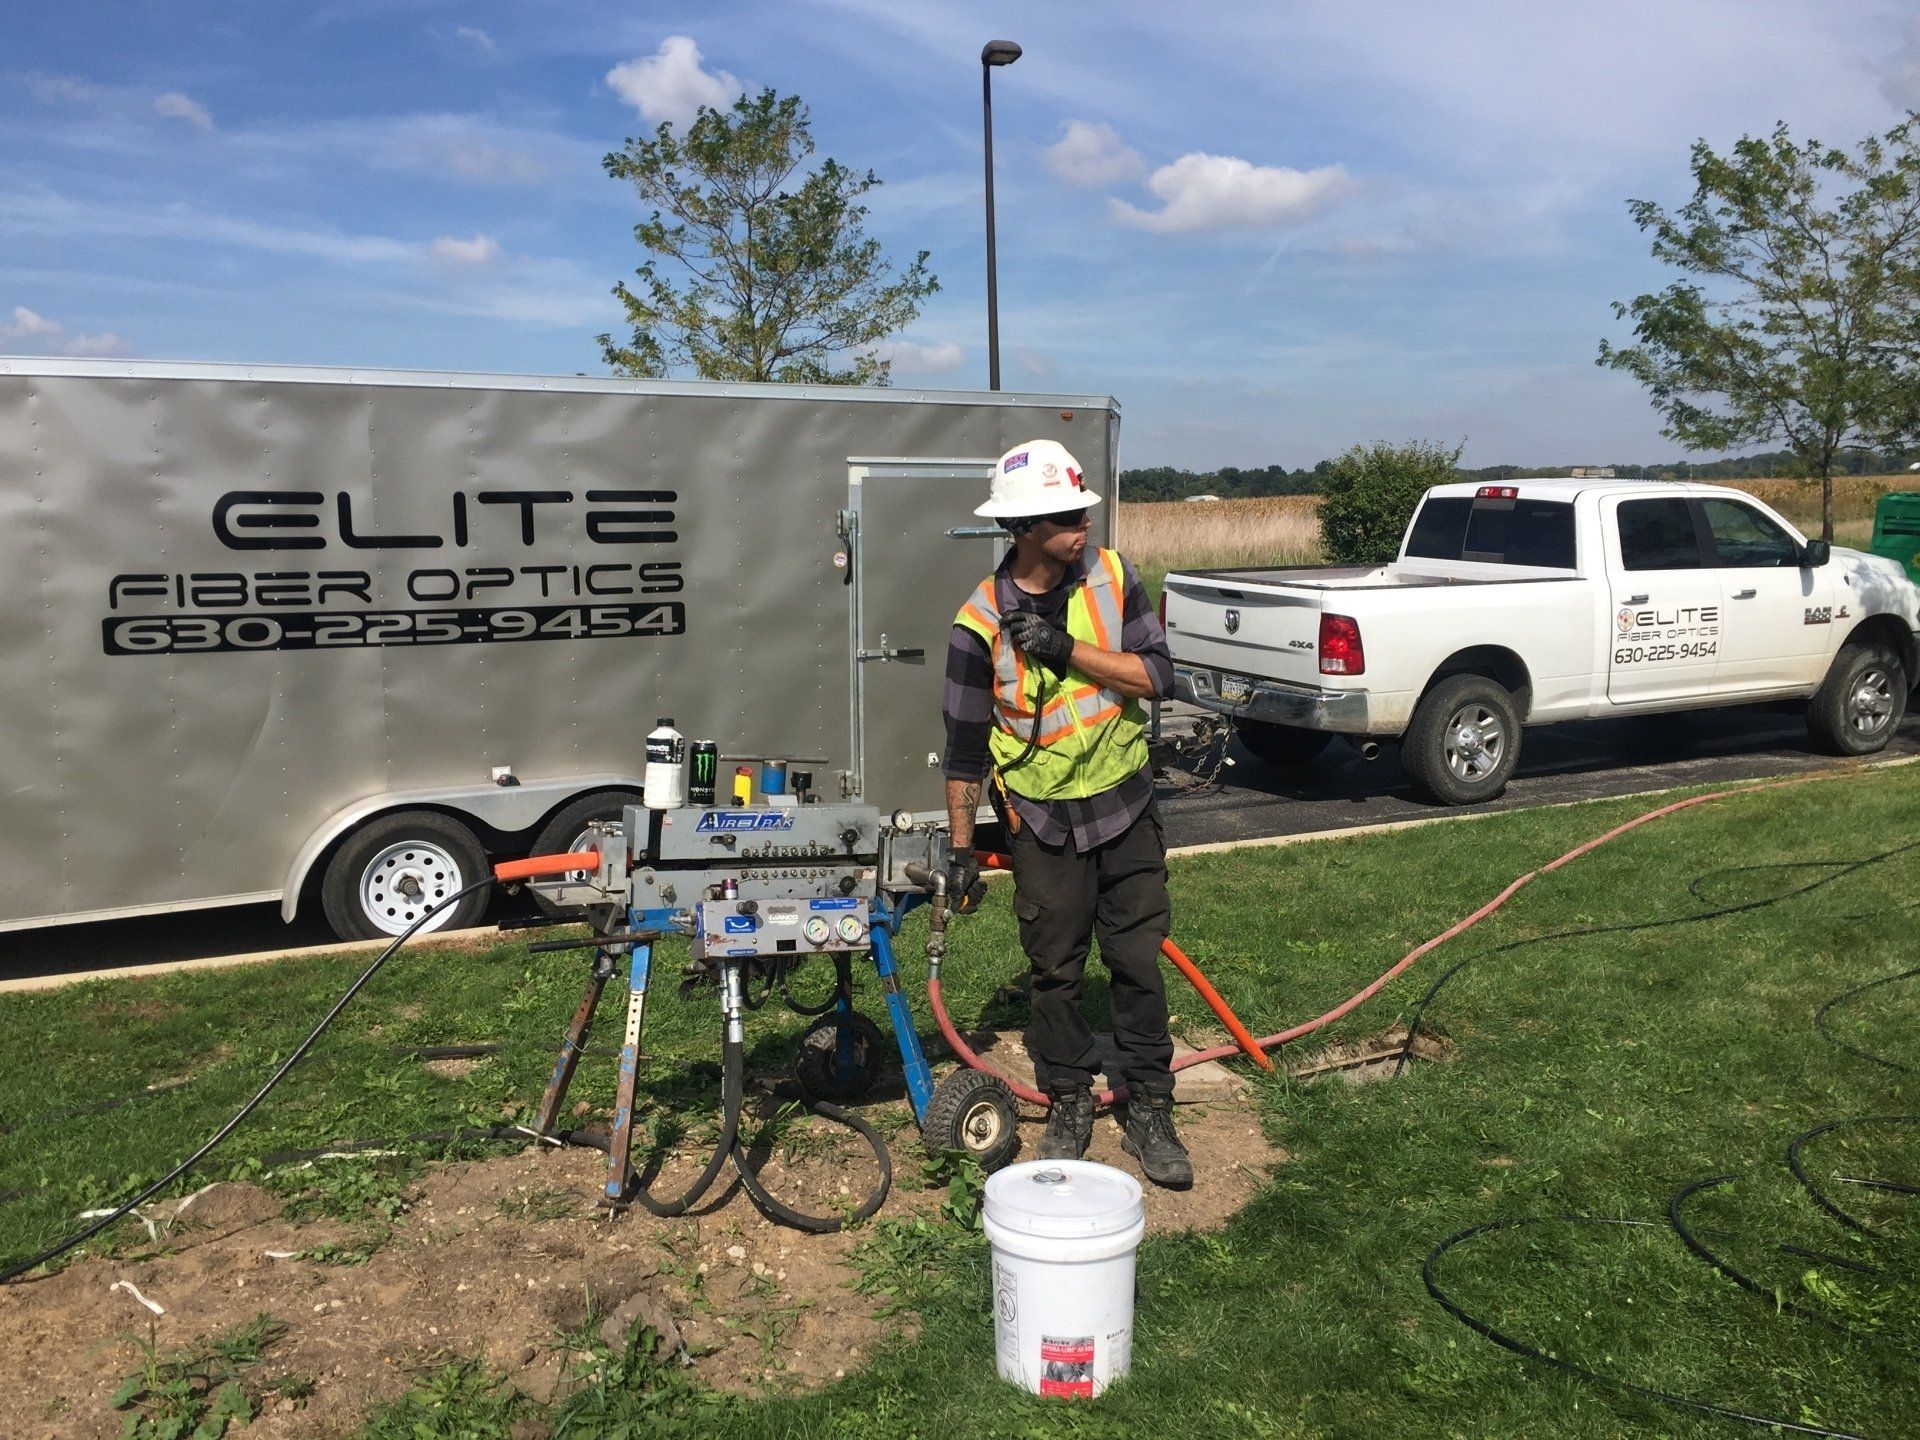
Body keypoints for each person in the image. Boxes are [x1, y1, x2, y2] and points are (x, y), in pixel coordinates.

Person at [940, 438, 1191, 1188]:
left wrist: (1066, 649)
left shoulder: (1114, 576)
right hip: (1042, 819)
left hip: (1124, 804)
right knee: (1054, 971)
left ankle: (1150, 1104)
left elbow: (1158, 675)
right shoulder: (979, 622)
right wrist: (961, 848)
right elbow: (963, 748)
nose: (1084, 524)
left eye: (1082, 510)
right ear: (1022, 529)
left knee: (1137, 961)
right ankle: (1071, 1097)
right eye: (1065, 516)